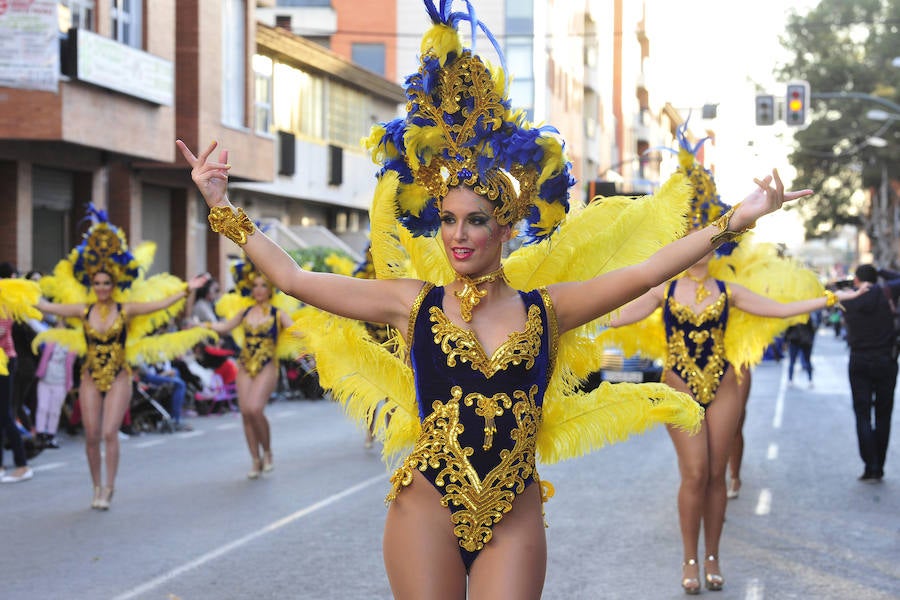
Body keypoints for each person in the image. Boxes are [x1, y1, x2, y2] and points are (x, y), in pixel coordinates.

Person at [177, 4, 824, 596]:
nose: (459, 234)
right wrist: (222, 207)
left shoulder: (549, 309)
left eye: (476, 220)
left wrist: (735, 220)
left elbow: (648, 269)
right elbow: (294, 279)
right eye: (449, 219)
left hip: (515, 513)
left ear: (505, 228)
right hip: (426, 506)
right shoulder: (412, 303)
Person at [603, 125, 866, 594]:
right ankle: (688, 559)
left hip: (721, 383)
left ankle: (712, 556)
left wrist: (830, 298)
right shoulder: (662, 289)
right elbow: (616, 315)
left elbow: (782, 309)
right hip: (678, 385)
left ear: (714, 245)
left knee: (717, 475)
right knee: (695, 473)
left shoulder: (729, 291)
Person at [35, 206, 212, 509]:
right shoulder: (83, 310)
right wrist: (17, 293)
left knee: (108, 432)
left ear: (114, 284)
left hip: (119, 375)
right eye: (97, 283)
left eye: (107, 283)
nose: (102, 288)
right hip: (90, 376)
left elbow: (159, 304)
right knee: (91, 435)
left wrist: (187, 288)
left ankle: (109, 488)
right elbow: (47, 307)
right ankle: (95, 487)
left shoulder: (126, 309)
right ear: (91, 284)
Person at [200, 262, 294, 478]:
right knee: (245, 413)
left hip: (267, 366)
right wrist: (202, 326)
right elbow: (224, 328)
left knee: (255, 409)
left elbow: (295, 331)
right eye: (255, 285)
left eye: (263, 285)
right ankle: (255, 460)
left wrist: (317, 331)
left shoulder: (278, 314)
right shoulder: (245, 312)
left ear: (271, 289)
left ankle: (268, 451)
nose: (259, 289)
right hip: (244, 365)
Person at [839, 264, 900, 482]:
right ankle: (879, 467)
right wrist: (882, 269)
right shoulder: (887, 291)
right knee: (884, 414)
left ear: (856, 280)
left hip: (859, 361)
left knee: (862, 414)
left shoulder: (849, 299)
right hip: (886, 361)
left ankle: (869, 465)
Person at [34, 320, 78, 448]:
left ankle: (51, 435)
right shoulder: (49, 339)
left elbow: (71, 364)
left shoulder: (72, 345)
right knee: (42, 407)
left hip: (61, 380)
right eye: (57, 325)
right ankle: (40, 433)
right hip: (45, 378)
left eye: (62, 326)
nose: (60, 328)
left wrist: (69, 383)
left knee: (55, 410)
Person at [139, 358, 192, 432]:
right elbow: (147, 376)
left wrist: (167, 374)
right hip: (148, 382)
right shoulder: (143, 355)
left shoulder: (162, 355)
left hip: (161, 380)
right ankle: (176, 419)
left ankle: (176, 418)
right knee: (179, 383)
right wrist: (165, 374)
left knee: (177, 374)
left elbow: (170, 371)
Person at [785, 316, 817, 388]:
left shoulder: (804, 316)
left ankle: (810, 380)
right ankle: (791, 379)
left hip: (803, 341)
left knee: (805, 361)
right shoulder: (793, 316)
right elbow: (788, 330)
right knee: (794, 361)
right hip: (797, 341)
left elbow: (812, 329)